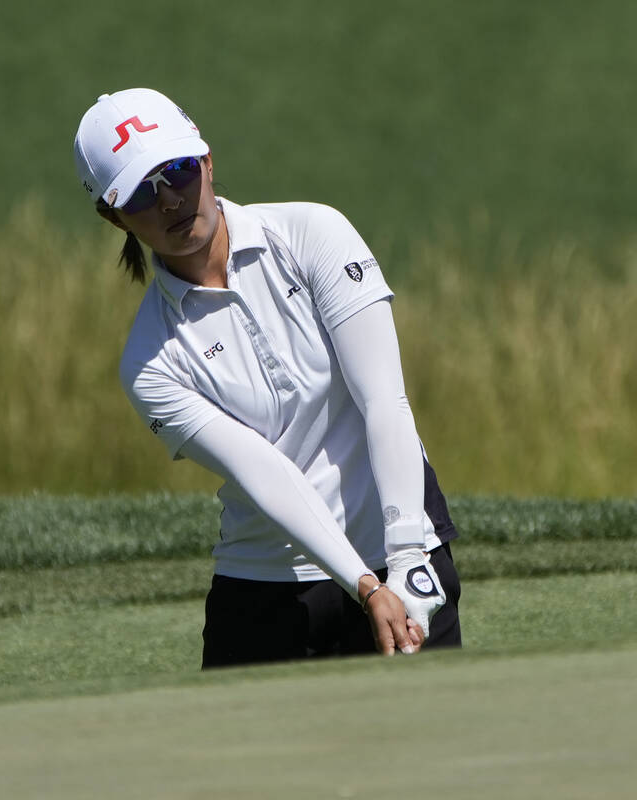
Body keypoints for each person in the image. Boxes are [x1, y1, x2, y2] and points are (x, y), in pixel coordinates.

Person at [73, 88, 462, 666]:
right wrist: (367, 586)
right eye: (140, 194)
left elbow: (383, 400)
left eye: (177, 171)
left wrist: (405, 561)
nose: (171, 202)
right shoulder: (150, 362)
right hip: (267, 593)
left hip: (402, 552)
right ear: (114, 216)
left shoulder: (313, 235)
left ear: (206, 160)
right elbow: (264, 473)